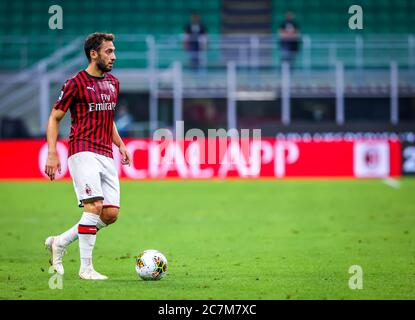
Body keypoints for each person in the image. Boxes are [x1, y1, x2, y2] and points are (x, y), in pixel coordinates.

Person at [44, 32, 131, 280]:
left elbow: (108, 118)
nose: (114, 56)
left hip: (105, 152)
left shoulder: (113, 83)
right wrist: (52, 152)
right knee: (93, 206)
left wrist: (120, 144)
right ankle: (86, 269)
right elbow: (55, 117)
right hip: (82, 150)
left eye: (113, 51)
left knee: (110, 214)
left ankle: (59, 242)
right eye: (109, 51)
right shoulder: (75, 83)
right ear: (94, 54)